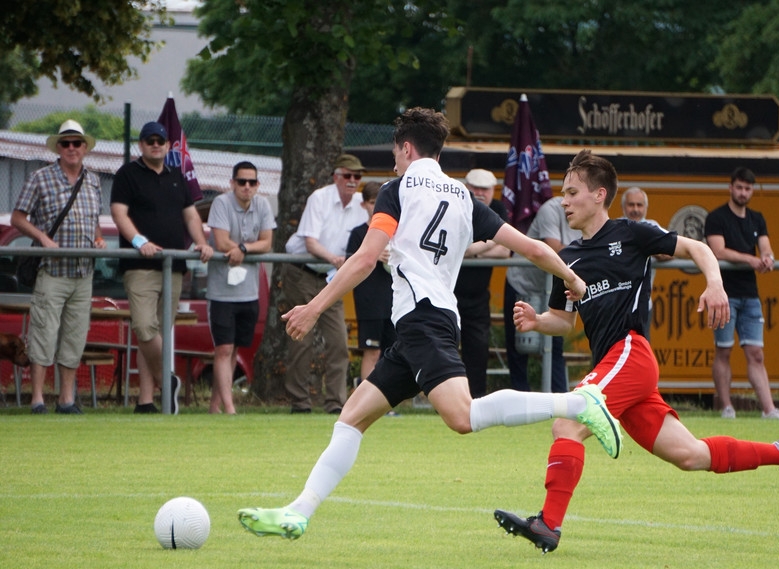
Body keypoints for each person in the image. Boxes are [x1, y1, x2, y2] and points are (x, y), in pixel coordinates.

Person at [237, 107, 622, 541]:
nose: (394, 162)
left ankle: (577, 405)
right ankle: (298, 512)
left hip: (423, 318)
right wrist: (571, 277)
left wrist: (313, 306)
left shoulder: (397, 189)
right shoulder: (464, 197)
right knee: (351, 418)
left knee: (462, 416)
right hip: (420, 324)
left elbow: (365, 258)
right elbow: (531, 247)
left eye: (395, 153)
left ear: (406, 148)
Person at [494, 150, 779, 554]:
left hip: (630, 352)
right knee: (690, 455)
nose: (564, 201)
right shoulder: (568, 259)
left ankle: (548, 524)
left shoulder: (632, 233)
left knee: (567, 423)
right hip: (618, 369)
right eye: (564, 194)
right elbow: (564, 321)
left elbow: (700, 249)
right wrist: (538, 320)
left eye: (572, 192)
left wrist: (715, 284)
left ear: (599, 195)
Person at [110, 121, 213, 414]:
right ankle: (166, 380)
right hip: (140, 266)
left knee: (156, 333)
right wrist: (139, 241)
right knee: (145, 328)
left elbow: (191, 215)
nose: (155, 145)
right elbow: (119, 213)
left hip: (173, 267)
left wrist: (201, 242)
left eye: (160, 140)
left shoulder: (177, 176)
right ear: (141, 145)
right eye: (149, 140)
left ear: (168, 145)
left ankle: (146, 401)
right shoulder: (127, 174)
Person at [12, 119, 106, 414]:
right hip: (51, 271)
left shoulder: (94, 181)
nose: (71, 148)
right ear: (58, 148)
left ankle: (66, 399)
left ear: (85, 147)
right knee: (43, 334)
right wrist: (42, 238)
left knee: (74, 337)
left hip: (83, 273)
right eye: (66, 143)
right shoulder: (40, 177)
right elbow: (17, 218)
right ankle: (38, 399)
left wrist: (99, 239)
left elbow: (95, 222)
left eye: (76, 143)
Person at [283, 154, 369, 414]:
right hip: (303, 274)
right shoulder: (319, 198)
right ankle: (300, 403)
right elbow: (310, 242)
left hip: (332, 279)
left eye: (357, 176)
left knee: (338, 342)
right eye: (348, 175)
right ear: (336, 177)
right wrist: (334, 258)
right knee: (302, 339)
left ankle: (335, 403)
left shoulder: (361, 204)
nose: (353, 180)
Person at [705, 167, 779, 419]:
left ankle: (769, 410)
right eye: (739, 187)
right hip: (723, 294)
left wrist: (768, 258)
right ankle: (726, 407)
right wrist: (751, 259)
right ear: (730, 188)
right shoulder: (716, 217)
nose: (742, 192)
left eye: (747, 188)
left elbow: (766, 247)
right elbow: (718, 251)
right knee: (724, 350)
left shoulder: (757, 218)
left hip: (750, 295)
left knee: (756, 353)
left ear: (752, 191)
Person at [205, 161, 275, 414]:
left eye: (252, 182)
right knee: (223, 348)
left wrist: (243, 249)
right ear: (232, 183)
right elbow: (221, 241)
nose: (247, 186)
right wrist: (240, 248)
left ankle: (215, 406)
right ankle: (230, 407)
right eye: (242, 181)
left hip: (249, 291)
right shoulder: (221, 203)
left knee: (233, 349)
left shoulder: (262, 205)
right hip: (221, 292)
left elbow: (267, 243)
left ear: (257, 185)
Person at [504, 195, 581, 392]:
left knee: (555, 345)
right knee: (518, 348)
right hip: (521, 284)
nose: (569, 201)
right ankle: (521, 399)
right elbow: (556, 251)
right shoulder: (550, 210)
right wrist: (587, 254)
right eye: (569, 193)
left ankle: (560, 399)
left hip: (552, 287)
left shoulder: (586, 215)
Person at [456, 168, 510, 397]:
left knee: (478, 351)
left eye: (484, 189)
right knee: (445, 350)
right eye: (475, 188)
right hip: (448, 293)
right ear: (466, 187)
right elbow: (456, 246)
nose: (479, 193)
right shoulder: (455, 205)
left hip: (479, 297)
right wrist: (489, 242)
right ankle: (447, 401)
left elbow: (505, 250)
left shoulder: (498, 209)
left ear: (492, 190)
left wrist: (471, 251)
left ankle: (475, 401)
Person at [346, 180, 394, 383]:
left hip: (394, 303)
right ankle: (364, 396)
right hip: (369, 303)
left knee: (391, 354)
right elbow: (351, 263)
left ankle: (386, 398)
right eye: (373, 202)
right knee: (372, 352)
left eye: (380, 202)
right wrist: (374, 255)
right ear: (363, 204)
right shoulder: (358, 233)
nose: (376, 207)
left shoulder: (396, 233)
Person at [620, 186, 659, 338]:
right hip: (617, 305)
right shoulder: (615, 226)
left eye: (639, 205)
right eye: (631, 205)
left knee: (642, 346)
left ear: (645, 208)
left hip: (643, 306)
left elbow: (670, 252)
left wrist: (642, 244)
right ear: (624, 207)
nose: (635, 209)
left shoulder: (652, 226)